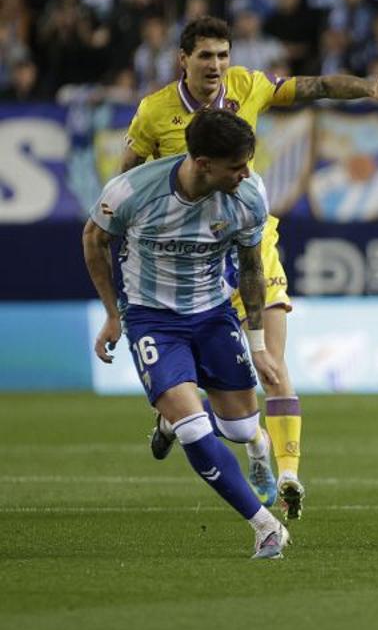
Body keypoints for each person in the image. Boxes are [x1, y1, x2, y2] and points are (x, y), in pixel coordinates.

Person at [123, 16, 378, 520]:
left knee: (272, 362)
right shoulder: (154, 112)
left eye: (223, 54)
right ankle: (181, 421)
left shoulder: (248, 86)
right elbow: (128, 180)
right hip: (190, 262)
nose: (216, 65)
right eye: (206, 55)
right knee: (213, 388)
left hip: (251, 243)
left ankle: (288, 472)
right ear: (183, 59)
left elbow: (315, 86)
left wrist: (368, 87)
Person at [83, 109, 290, 559]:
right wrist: (112, 314)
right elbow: (94, 239)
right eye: (236, 166)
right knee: (194, 428)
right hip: (152, 319)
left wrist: (258, 345)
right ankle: (265, 526)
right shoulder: (133, 191)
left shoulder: (248, 196)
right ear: (203, 163)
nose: (246, 173)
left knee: (239, 428)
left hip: (213, 314)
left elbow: (252, 268)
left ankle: (250, 441)